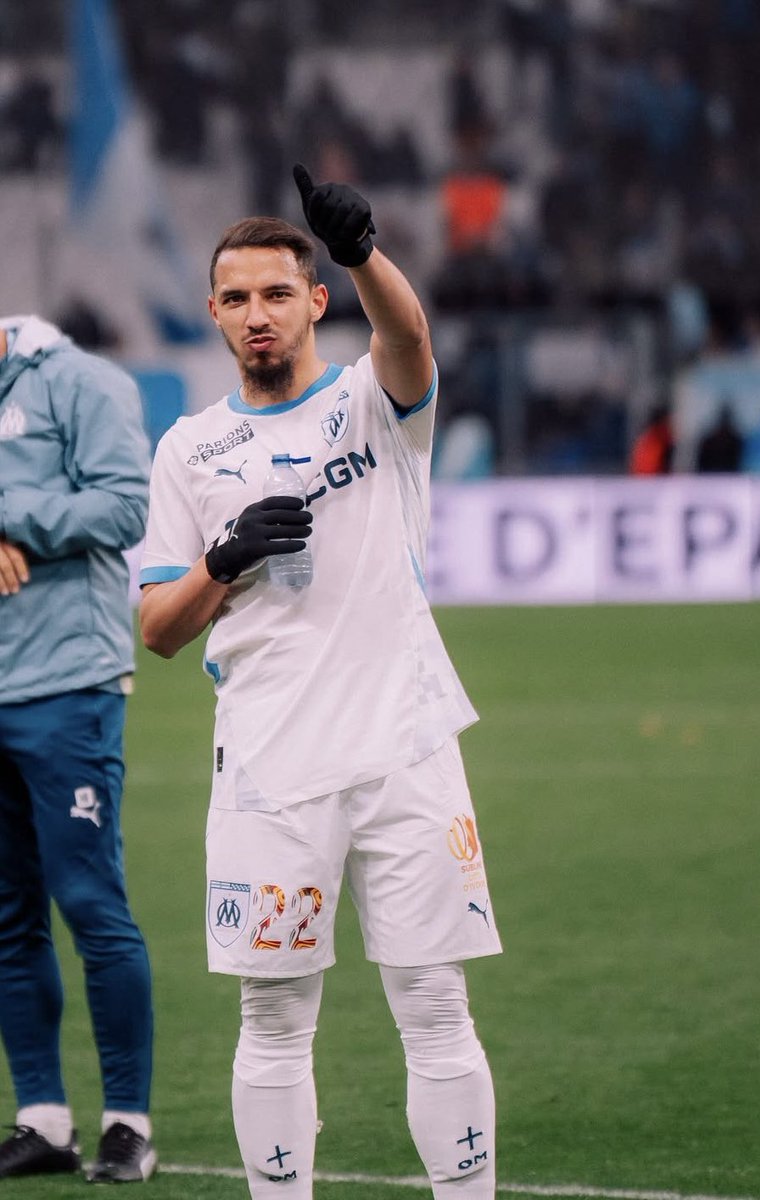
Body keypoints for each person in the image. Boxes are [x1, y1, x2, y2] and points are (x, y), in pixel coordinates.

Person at [139, 165, 502, 1199]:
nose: (258, 314)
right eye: (238, 298)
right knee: (274, 1017)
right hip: (269, 766)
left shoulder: (371, 404)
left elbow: (414, 342)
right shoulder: (191, 450)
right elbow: (159, 629)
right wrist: (222, 559)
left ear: (316, 302)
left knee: (434, 1005)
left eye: (277, 293)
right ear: (213, 312)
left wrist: (363, 249)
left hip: (406, 748)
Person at [0, 315, 157, 1183]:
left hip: (66, 686)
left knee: (91, 906)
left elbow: (126, 505)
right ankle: (45, 1121)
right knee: (8, 917)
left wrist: (11, 513)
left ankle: (128, 1123)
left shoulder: (81, 381)